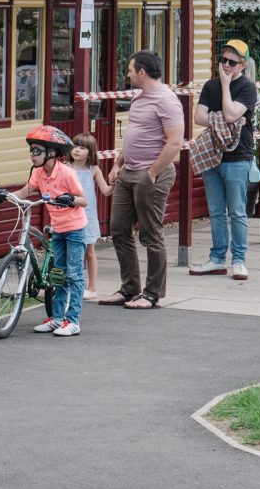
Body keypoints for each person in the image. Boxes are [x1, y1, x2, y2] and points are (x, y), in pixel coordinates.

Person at [100, 50, 184, 310]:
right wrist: (117, 164)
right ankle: (129, 288)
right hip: (128, 171)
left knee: (150, 233)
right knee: (118, 229)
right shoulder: (138, 96)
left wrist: (152, 173)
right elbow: (133, 136)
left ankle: (152, 294)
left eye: (129, 70)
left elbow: (174, 143)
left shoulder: (167, 101)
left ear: (142, 72)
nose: (127, 74)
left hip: (151, 174)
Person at [190, 37, 260, 281]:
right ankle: (217, 258)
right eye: (223, 60)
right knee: (216, 211)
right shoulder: (210, 86)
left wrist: (226, 87)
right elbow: (198, 117)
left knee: (237, 211)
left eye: (232, 62)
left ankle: (239, 260)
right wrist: (222, 118)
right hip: (212, 155)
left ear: (243, 65)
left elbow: (230, 114)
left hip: (238, 157)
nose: (226, 66)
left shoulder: (248, 88)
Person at [14, 125, 89, 337]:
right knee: (58, 275)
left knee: (74, 275)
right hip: (58, 229)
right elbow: (26, 191)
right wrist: (4, 194)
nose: (32, 155)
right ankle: (57, 319)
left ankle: (73, 321)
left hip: (75, 230)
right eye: (31, 150)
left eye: (37, 151)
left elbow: (84, 200)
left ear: (52, 153)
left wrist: (70, 199)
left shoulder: (67, 173)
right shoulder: (38, 173)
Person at [71, 133, 112, 301]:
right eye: (75, 146)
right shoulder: (65, 167)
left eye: (82, 148)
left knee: (89, 251)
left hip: (87, 215)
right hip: (69, 215)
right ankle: (75, 285)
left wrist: (115, 182)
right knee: (72, 251)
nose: (77, 150)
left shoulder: (94, 170)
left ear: (90, 153)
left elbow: (106, 191)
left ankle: (92, 287)